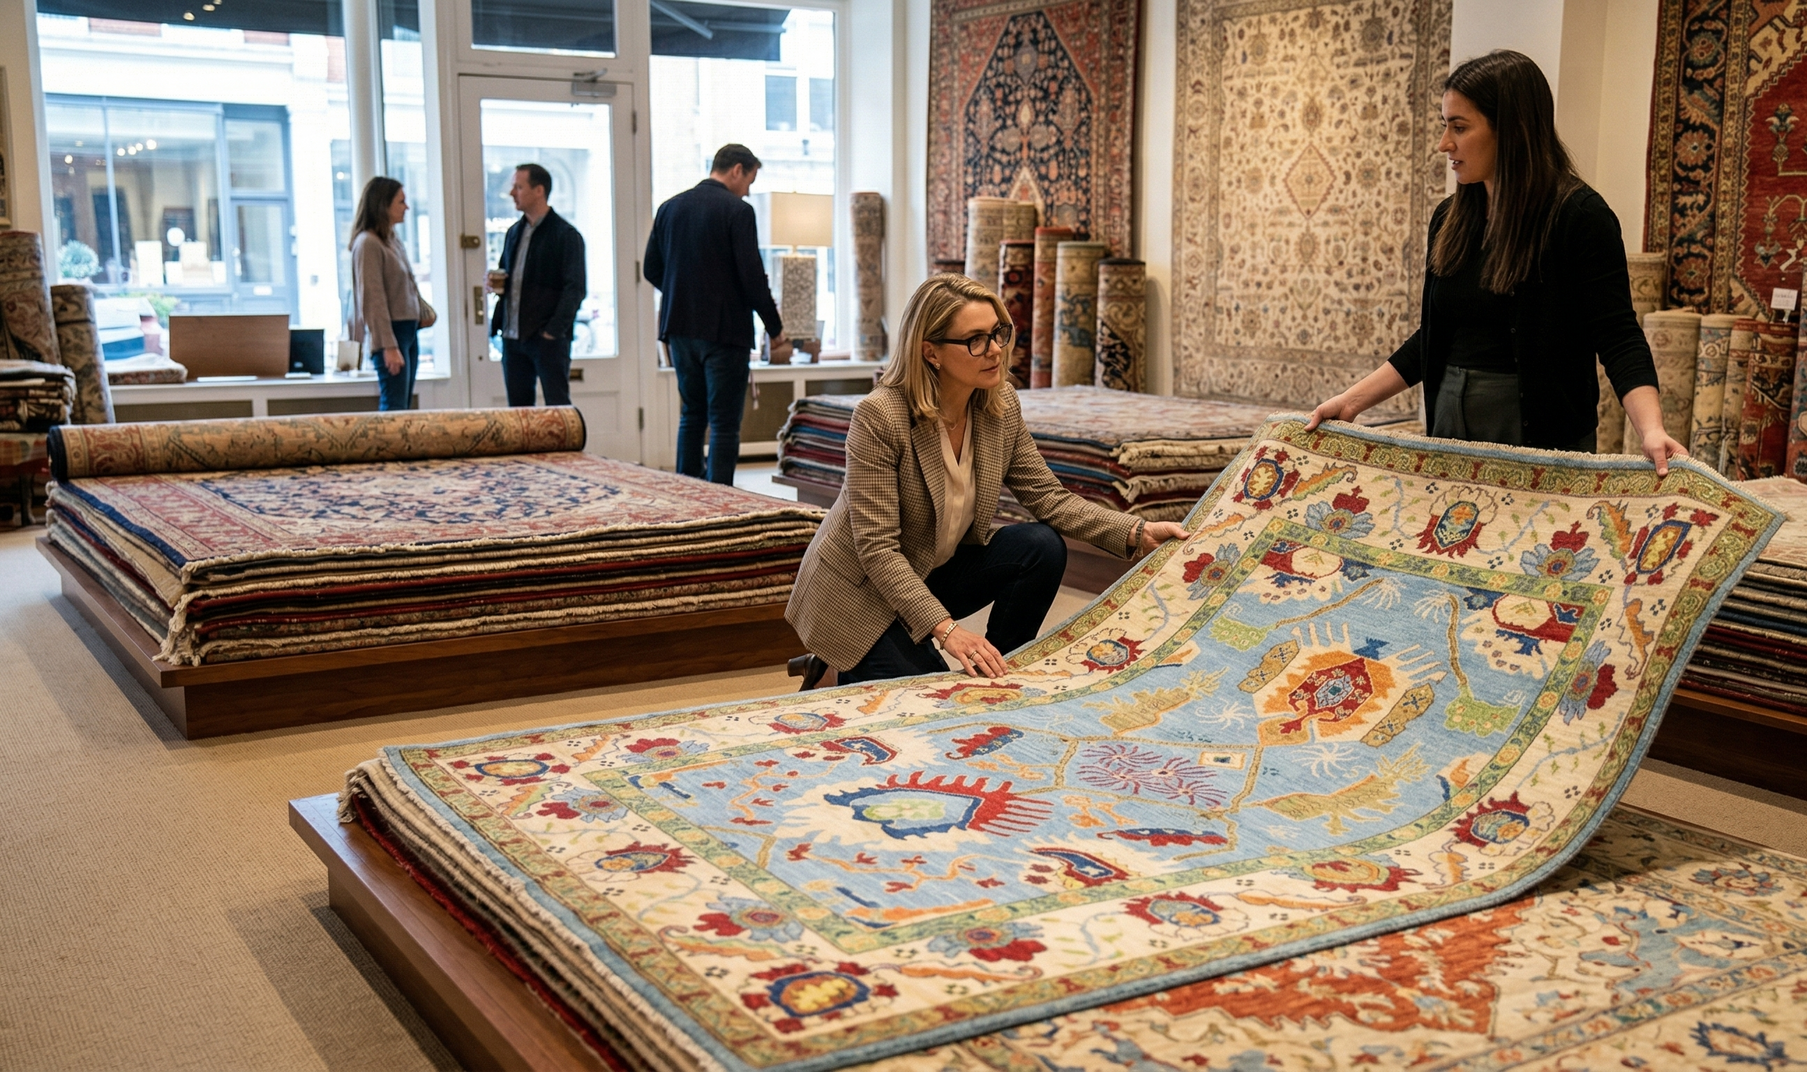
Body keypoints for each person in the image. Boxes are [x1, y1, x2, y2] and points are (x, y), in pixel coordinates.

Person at [785, 274, 1190, 688]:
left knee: (1040, 546)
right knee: (933, 698)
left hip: (928, 570)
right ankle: (830, 666)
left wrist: (1137, 532)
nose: (995, 349)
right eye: (975, 340)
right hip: (862, 595)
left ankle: (996, 672)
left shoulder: (1000, 405)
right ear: (931, 352)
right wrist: (948, 632)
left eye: (998, 332)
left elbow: (1050, 499)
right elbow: (878, 550)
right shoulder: (880, 417)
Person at [1305, 50, 1681, 474]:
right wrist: (1351, 402)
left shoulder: (1580, 216)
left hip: (1539, 436)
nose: (1444, 143)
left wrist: (1651, 429)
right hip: (1449, 425)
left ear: (1513, 130)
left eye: (1459, 127)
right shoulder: (1449, 218)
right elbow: (1434, 338)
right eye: (1445, 125)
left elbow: (1617, 336)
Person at [644, 143, 786, 485]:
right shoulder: (737, 211)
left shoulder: (669, 208)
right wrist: (775, 328)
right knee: (723, 421)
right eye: (750, 180)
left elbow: (651, 268)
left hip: (678, 328)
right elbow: (752, 277)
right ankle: (721, 497)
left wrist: (685, 293)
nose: (748, 190)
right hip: (725, 331)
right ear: (737, 169)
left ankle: (687, 489)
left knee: (691, 414)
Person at [487, 163, 586, 407]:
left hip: (547, 340)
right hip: (513, 337)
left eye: (518, 187)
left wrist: (552, 332)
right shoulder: (513, 233)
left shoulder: (566, 235)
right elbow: (509, 279)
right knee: (519, 416)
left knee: (558, 409)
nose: (512, 193)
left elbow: (575, 289)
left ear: (539, 190)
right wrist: (495, 284)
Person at [348, 176, 422, 411]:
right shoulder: (368, 243)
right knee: (394, 408)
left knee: (403, 406)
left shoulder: (391, 239)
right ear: (383, 204)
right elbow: (373, 299)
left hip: (407, 330)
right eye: (401, 202)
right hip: (391, 333)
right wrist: (388, 346)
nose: (406, 207)